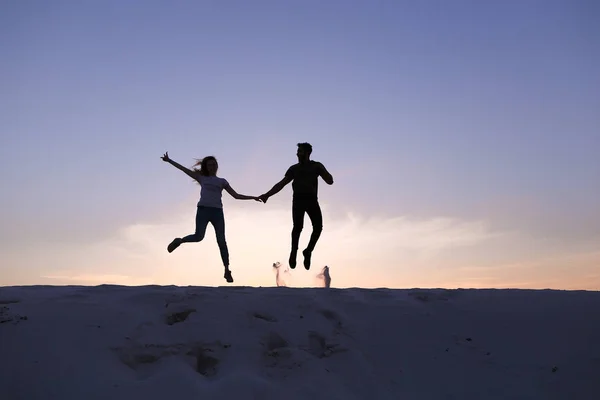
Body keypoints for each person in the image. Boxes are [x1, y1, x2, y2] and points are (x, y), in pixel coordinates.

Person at [161, 151, 261, 283]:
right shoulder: (202, 178)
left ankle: (227, 270)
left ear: (217, 166)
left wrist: (254, 197)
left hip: (217, 213)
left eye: (214, 164)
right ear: (206, 167)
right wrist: (169, 161)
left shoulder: (222, 181)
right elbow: (183, 169)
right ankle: (179, 241)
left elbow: (236, 195)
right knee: (198, 237)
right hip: (203, 210)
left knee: (221, 241)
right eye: (209, 165)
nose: (212, 167)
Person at [259, 142, 333, 270]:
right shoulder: (294, 169)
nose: (297, 153)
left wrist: (324, 173)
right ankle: (293, 252)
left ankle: (308, 251)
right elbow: (281, 184)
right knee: (298, 227)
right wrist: (267, 195)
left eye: (300, 151)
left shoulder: (316, 166)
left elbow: (330, 181)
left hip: (312, 200)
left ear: (307, 153)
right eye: (298, 151)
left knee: (318, 227)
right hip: (298, 200)